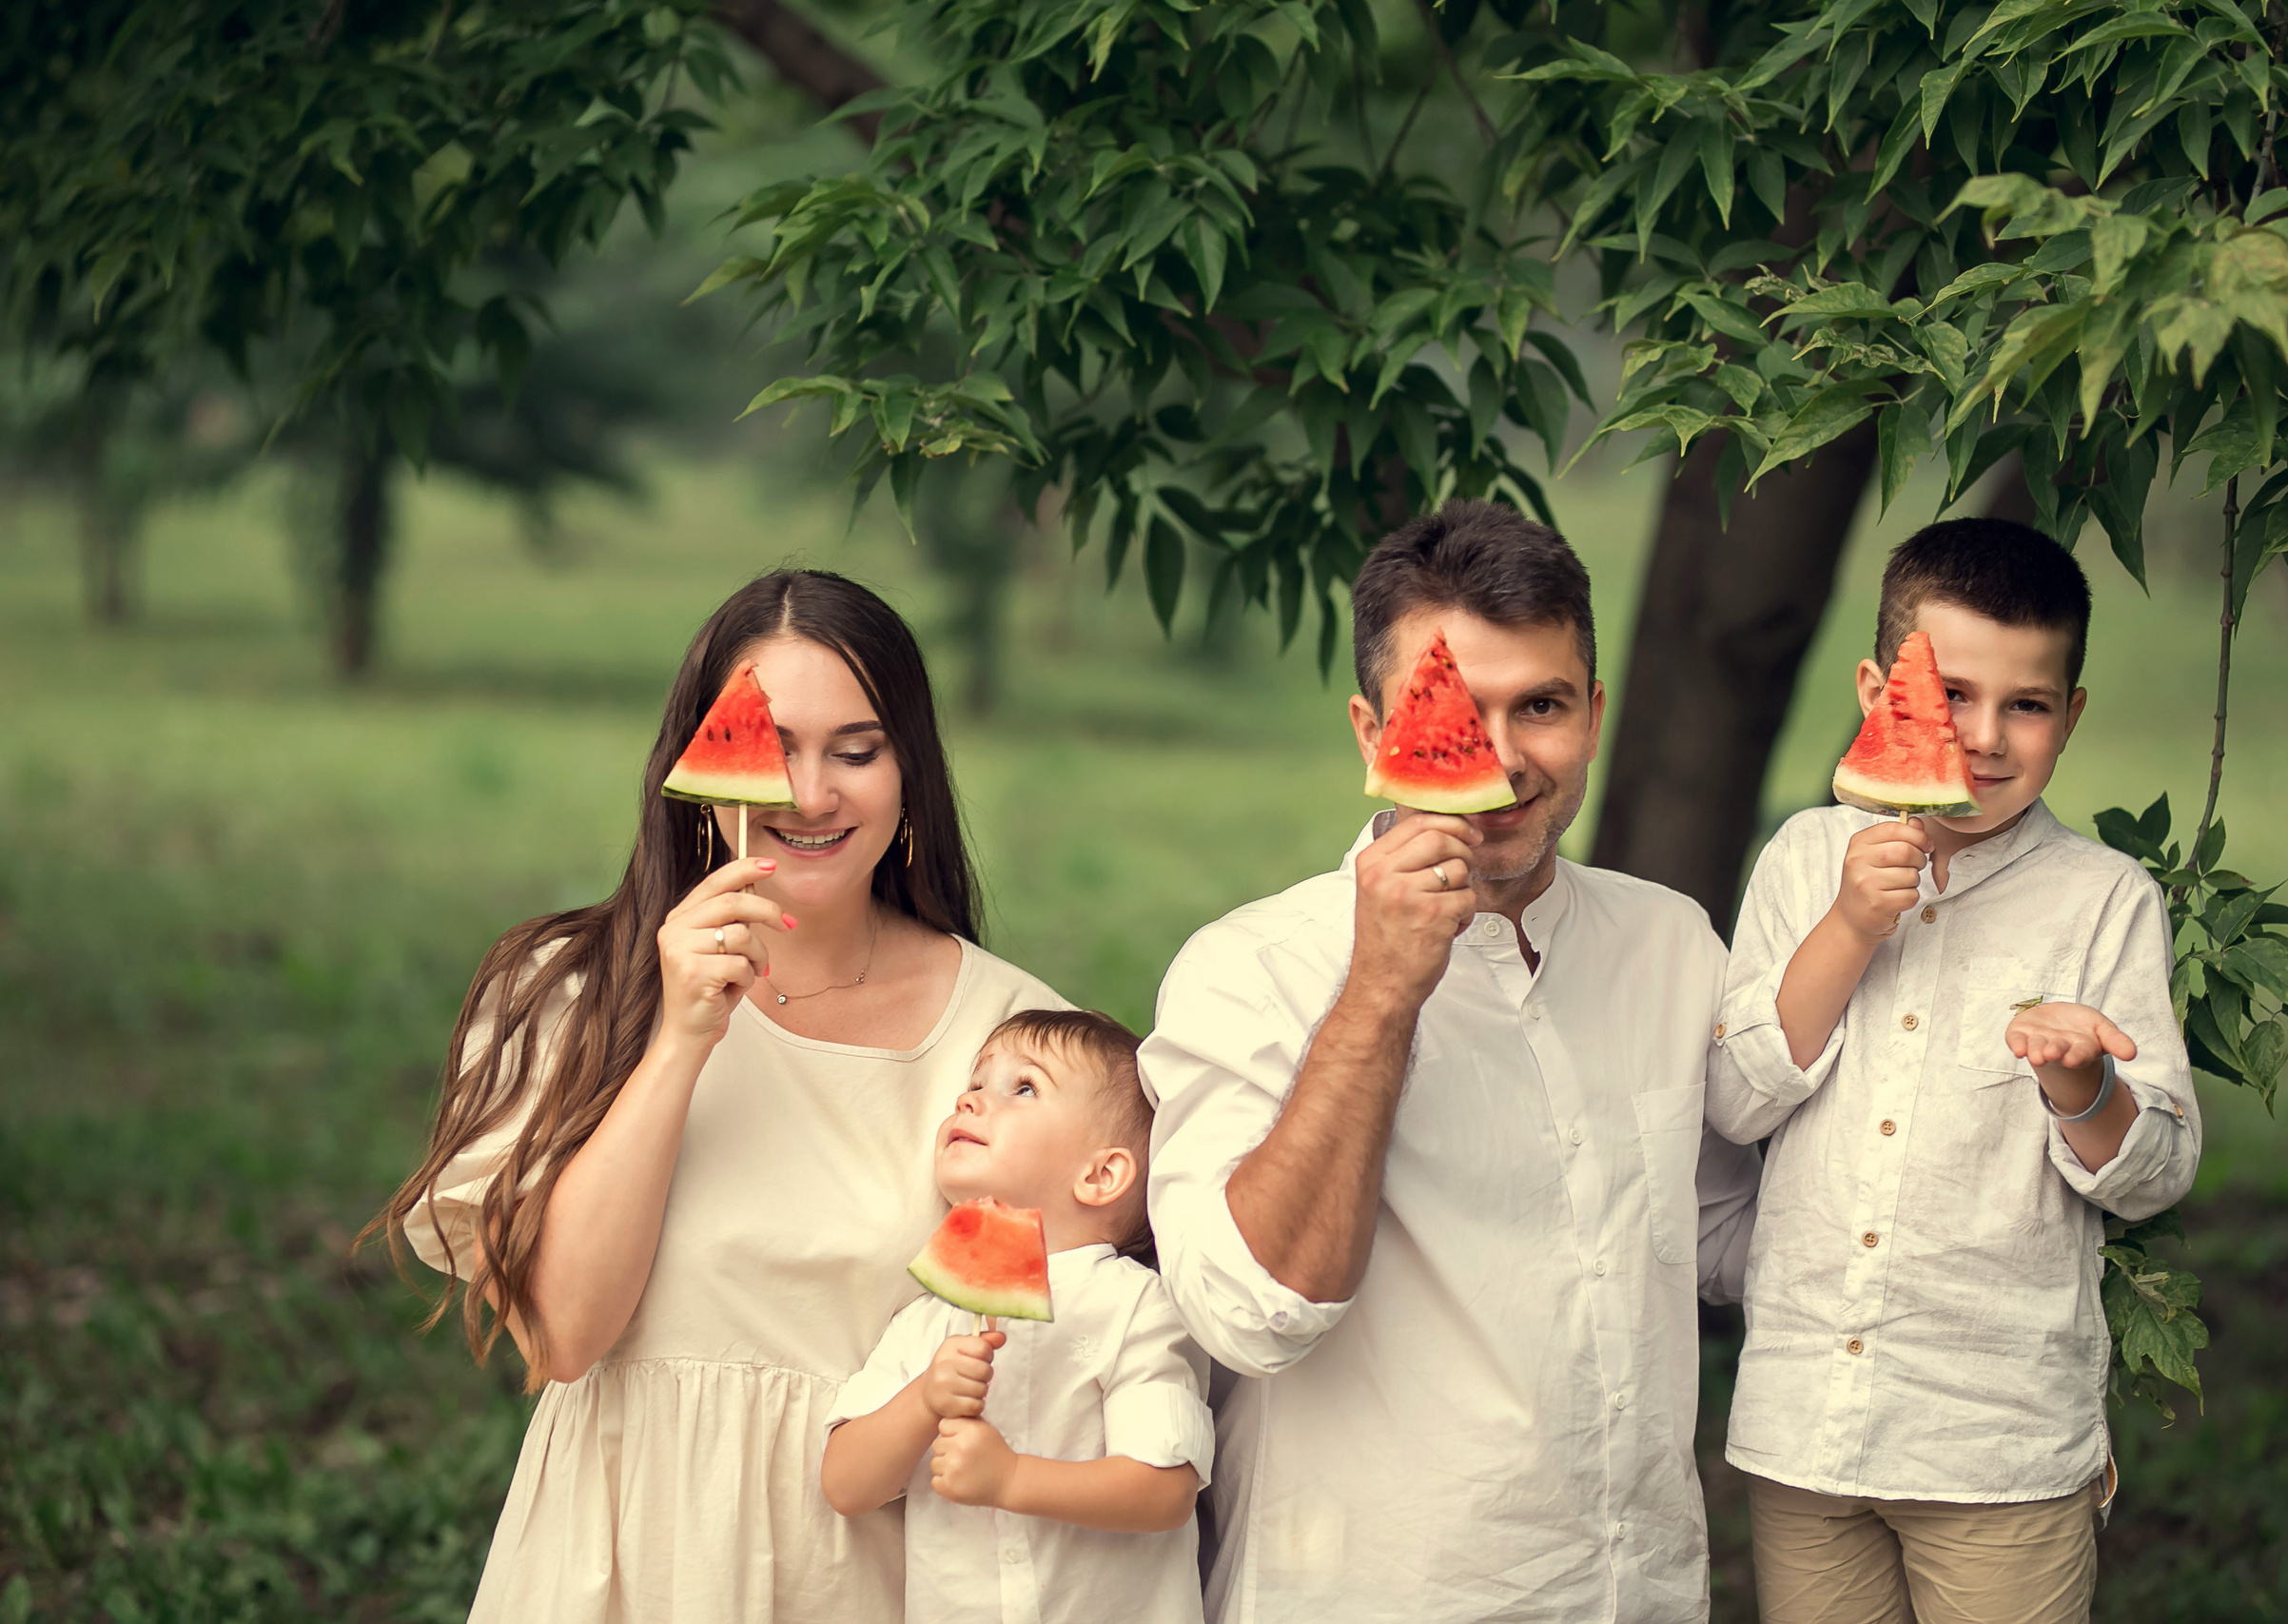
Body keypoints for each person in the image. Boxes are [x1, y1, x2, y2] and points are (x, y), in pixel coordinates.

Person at [369, 570, 1069, 1624]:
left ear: (911, 770)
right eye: (772, 745)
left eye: (856, 749)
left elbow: (1061, 1378)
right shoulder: (564, 994)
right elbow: (565, 1335)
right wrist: (682, 1037)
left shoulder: (1012, 1042)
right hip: (615, 1565)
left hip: (868, 1584)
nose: (810, 793)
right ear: (697, 763)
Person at [1139, 499, 1764, 1623]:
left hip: (1637, 1594)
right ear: (1373, 735)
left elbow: (1725, 1237)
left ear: (1595, 713)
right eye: (1456, 715)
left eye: (1542, 707)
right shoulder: (1246, 971)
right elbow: (1249, 1313)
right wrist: (1380, 988)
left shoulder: (1673, 943)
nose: (1503, 759)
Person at [1706, 519, 2200, 1624]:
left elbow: (2157, 1170)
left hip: (1999, 1443)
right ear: (1879, 692)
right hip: (1806, 1430)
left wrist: (2086, 1086)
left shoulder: (2105, 900)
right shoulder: (1800, 861)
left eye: (2024, 705)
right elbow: (1735, 1102)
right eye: (1951, 697)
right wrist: (1844, 925)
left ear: (2068, 717)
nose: (1981, 737)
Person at [823, 1008, 1212, 1624]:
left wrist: (1011, 1478)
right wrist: (924, 1398)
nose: (969, 1099)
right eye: (975, 1084)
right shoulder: (927, 1319)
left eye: (1022, 1087)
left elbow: (1165, 1491)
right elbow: (845, 1485)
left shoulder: (1137, 1308)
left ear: (1101, 1173)